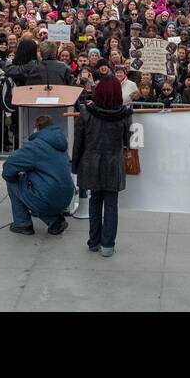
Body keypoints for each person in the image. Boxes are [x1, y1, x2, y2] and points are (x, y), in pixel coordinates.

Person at [71, 77, 132, 256]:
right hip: (113, 161)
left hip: (91, 160)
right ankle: (107, 245)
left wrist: (75, 166)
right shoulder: (125, 114)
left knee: (94, 200)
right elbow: (128, 141)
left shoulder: (86, 112)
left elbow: (78, 143)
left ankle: (94, 241)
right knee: (111, 204)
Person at [3, 115, 75, 235]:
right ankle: (54, 221)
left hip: (47, 197)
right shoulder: (60, 143)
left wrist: (13, 177)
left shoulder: (35, 145)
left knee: (13, 181)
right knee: (41, 189)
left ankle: (22, 224)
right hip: (66, 198)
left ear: (36, 128)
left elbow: (9, 166)